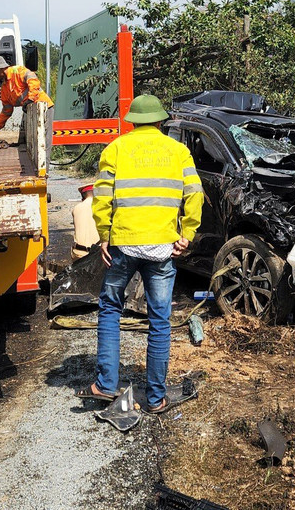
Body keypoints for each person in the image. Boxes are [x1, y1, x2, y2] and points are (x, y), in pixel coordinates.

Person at [84, 95, 202, 414]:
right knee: (159, 319)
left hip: (123, 245)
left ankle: (106, 385)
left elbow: (102, 198)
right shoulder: (178, 151)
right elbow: (195, 195)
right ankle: (155, 398)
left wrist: (104, 236)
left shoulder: (116, 149)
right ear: (161, 122)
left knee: (110, 307)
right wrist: (186, 235)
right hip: (163, 248)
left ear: (132, 121)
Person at [0, 56, 54, 148]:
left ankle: (46, 162)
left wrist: (30, 99)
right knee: (33, 144)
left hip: (44, 108)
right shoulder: (5, 88)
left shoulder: (18, 71)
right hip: (31, 111)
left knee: (44, 142)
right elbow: (6, 111)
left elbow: (33, 81)